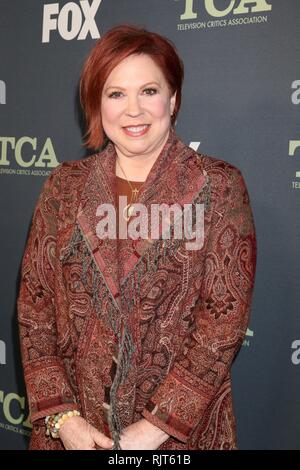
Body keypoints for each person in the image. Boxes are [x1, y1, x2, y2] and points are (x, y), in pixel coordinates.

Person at [17, 24, 257, 450]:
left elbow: (222, 322)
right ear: (97, 104)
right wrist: (62, 419)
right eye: (116, 94)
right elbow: (36, 308)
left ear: (173, 98)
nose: (134, 110)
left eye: (148, 90)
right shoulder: (63, 187)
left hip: (177, 440)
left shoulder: (216, 186)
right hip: (74, 434)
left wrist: (156, 427)